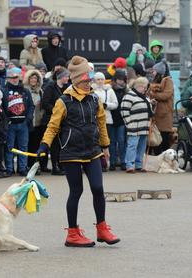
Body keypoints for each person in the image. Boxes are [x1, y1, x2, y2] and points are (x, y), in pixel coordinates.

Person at [37, 55, 120, 248]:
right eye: (84, 80)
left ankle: (102, 228)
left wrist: (105, 146)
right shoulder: (63, 101)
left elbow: (101, 122)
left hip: (92, 150)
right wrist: (44, 145)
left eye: (89, 80)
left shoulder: (94, 98)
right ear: (76, 80)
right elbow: (52, 127)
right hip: (70, 152)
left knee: (98, 189)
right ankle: (72, 233)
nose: (88, 83)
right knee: (76, 191)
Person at [3, 67, 35, 177]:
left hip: (23, 123)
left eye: (16, 77)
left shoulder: (25, 90)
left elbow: (31, 105)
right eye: (12, 77)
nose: (14, 79)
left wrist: (28, 119)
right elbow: (1, 107)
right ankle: (9, 169)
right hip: (10, 123)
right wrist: (6, 120)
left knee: (23, 147)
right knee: (9, 147)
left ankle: (22, 168)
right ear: (8, 78)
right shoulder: (4, 90)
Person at [41, 68, 70, 175]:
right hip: (52, 119)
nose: (68, 78)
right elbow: (45, 103)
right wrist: (57, 111)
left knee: (63, 144)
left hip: (65, 120)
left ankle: (62, 165)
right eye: (66, 76)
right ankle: (55, 167)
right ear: (60, 77)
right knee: (54, 145)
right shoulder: (50, 87)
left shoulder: (67, 88)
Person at [121, 77, 153, 173]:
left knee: (142, 146)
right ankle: (129, 165)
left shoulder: (145, 97)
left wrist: (152, 105)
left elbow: (149, 111)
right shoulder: (129, 96)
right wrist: (129, 124)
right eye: (144, 87)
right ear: (139, 86)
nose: (146, 89)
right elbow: (124, 111)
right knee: (132, 145)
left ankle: (139, 164)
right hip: (133, 126)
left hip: (144, 126)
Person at [92, 72, 118, 170]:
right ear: (94, 80)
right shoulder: (91, 90)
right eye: (98, 79)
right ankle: (99, 164)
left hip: (108, 120)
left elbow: (115, 104)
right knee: (97, 143)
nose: (100, 81)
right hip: (95, 120)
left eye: (101, 79)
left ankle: (110, 163)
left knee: (108, 142)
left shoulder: (109, 90)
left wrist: (106, 105)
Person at [23, 69, 47, 172]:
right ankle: (28, 165)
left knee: (37, 145)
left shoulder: (41, 91)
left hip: (38, 122)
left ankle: (37, 166)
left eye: (35, 78)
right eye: (31, 78)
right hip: (28, 122)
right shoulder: (24, 90)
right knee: (28, 145)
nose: (33, 80)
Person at [148, 61, 174, 154]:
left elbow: (166, 95)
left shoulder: (168, 81)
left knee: (164, 138)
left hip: (165, 115)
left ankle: (165, 160)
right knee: (156, 139)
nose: (153, 73)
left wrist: (153, 95)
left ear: (159, 72)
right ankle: (157, 160)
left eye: (154, 71)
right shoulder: (153, 82)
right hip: (156, 115)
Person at [109, 69, 128, 170]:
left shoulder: (126, 90)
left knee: (121, 141)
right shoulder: (110, 90)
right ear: (115, 79)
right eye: (119, 79)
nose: (121, 81)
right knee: (112, 142)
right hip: (112, 119)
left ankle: (123, 161)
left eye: (122, 79)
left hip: (122, 119)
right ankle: (112, 162)